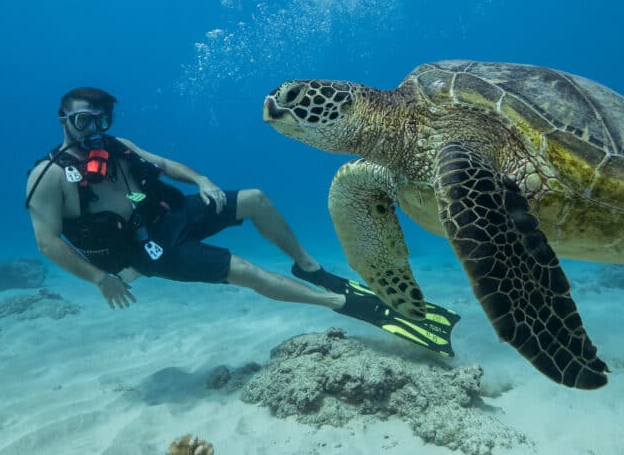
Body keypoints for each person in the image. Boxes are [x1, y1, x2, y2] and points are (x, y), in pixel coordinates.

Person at [25, 87, 457, 355]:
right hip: (150, 249)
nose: (96, 129)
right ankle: (343, 304)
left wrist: (202, 179)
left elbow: (162, 164)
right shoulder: (46, 179)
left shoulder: (118, 145)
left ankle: (308, 266)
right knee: (247, 271)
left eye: (103, 120)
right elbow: (48, 243)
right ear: (64, 121)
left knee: (254, 198)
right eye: (86, 121)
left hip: (169, 216)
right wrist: (101, 279)